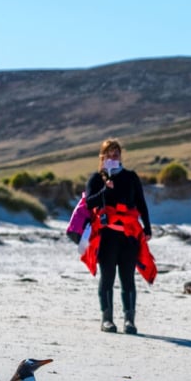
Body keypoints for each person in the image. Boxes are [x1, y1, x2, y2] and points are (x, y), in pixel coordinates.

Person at [83, 139, 153, 334]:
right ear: (103, 156)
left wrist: (147, 228)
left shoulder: (131, 177)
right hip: (106, 236)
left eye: (117, 153)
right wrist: (105, 190)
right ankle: (107, 320)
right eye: (110, 154)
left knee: (128, 278)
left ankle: (129, 321)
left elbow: (141, 202)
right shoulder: (97, 178)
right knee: (107, 277)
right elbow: (88, 203)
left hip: (129, 236)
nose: (114, 157)